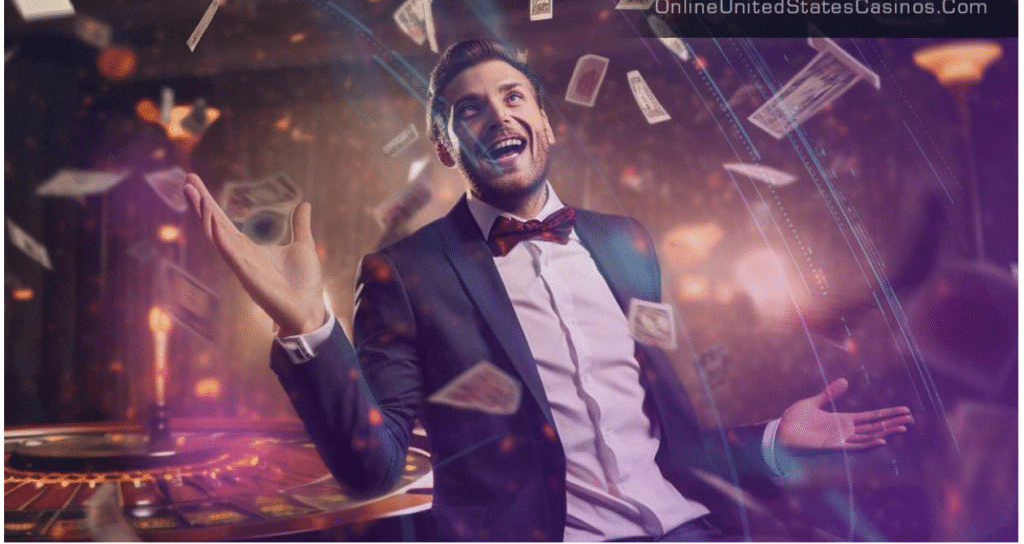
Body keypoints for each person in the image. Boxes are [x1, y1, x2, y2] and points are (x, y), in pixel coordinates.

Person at [183, 39, 913, 541]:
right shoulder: (404, 272)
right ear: (445, 147)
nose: (498, 114)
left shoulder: (628, 243)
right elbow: (373, 466)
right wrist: (306, 327)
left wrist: (775, 438)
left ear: (544, 123)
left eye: (513, 97)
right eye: (470, 108)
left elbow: (667, 438)